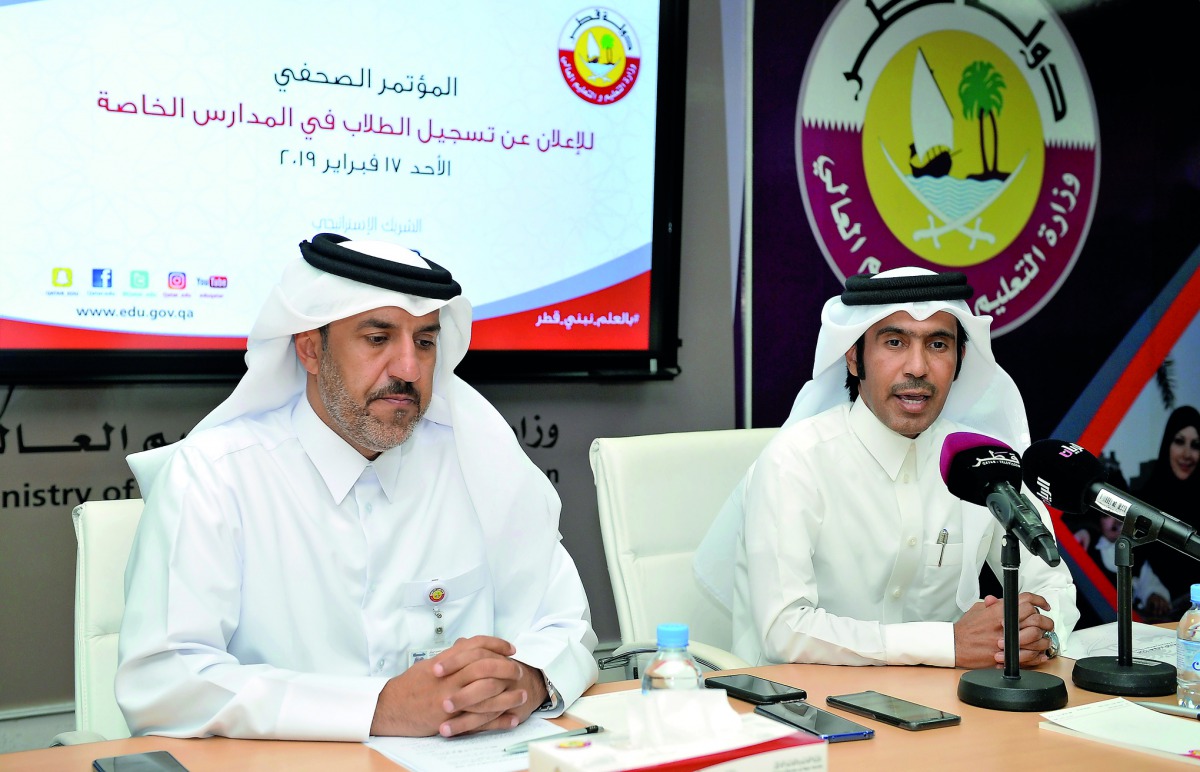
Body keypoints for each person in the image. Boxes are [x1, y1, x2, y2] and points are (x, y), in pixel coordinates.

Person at [116, 233, 598, 741]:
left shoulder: (480, 462)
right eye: (377, 338)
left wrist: (526, 679)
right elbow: (164, 681)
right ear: (309, 349)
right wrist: (378, 708)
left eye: (425, 342)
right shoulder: (215, 475)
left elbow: (566, 624)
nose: (409, 369)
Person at [694, 267, 1078, 668]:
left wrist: (1040, 636)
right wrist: (947, 643)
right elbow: (784, 630)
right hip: (802, 708)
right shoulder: (795, 461)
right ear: (854, 358)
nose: (917, 367)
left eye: (938, 345)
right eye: (895, 342)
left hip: (943, 709)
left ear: (959, 360)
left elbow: (1051, 582)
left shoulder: (982, 462)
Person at [1136, 405, 1200, 614]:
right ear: (1167, 444)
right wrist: (1150, 594)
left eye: (1196, 445)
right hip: (1158, 623)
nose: (1187, 454)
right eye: (1179, 441)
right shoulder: (1146, 499)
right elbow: (1134, 560)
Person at [1085, 513, 1172, 622]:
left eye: (1120, 516)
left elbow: (1149, 584)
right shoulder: (1088, 547)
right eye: (1107, 516)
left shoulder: (1136, 554)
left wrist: (1154, 596)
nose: (1117, 521)